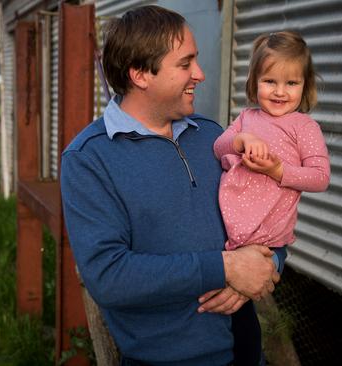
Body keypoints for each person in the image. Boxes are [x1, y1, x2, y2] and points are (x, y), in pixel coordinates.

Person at [60, 5, 280, 366]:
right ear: (141, 74)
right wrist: (225, 268)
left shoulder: (214, 137)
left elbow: (270, 214)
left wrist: (267, 266)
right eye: (185, 63)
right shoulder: (89, 159)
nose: (200, 74)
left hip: (244, 351)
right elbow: (109, 276)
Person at [211, 30, 330, 365]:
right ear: (254, 82)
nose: (280, 92)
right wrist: (239, 140)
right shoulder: (247, 119)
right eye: (270, 81)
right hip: (229, 233)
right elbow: (218, 147)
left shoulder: (304, 128)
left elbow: (320, 178)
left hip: (265, 240)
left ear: (305, 86)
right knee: (223, 311)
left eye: (291, 83)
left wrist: (280, 171)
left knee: (243, 317)